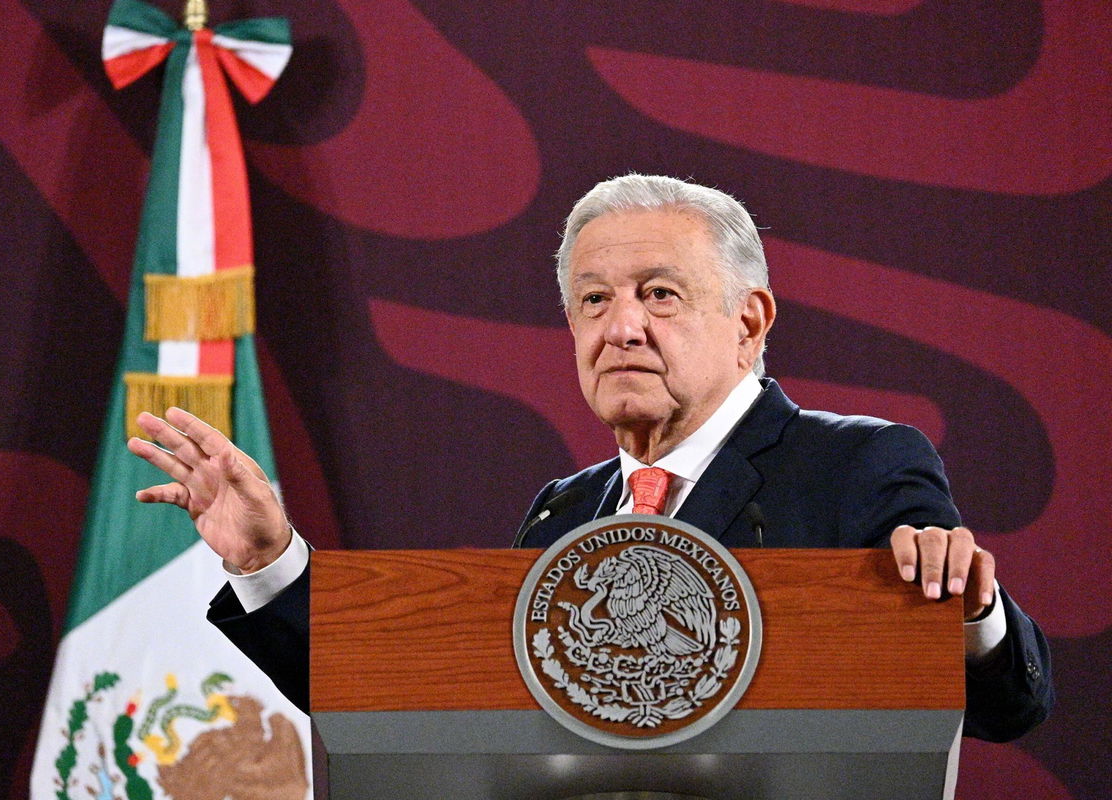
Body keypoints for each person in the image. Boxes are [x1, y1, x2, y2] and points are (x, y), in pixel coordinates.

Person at [128, 174, 1052, 742]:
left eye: (658, 292)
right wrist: (269, 563)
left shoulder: (861, 467)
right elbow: (415, 701)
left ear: (749, 321)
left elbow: (1007, 704)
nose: (622, 327)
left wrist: (967, 612)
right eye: (594, 299)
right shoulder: (562, 515)